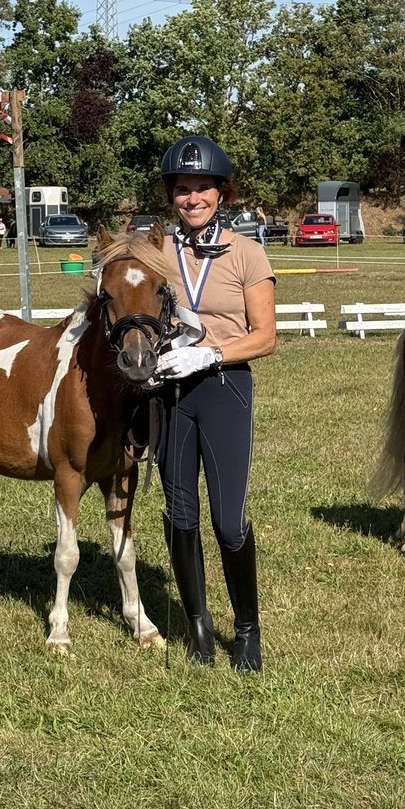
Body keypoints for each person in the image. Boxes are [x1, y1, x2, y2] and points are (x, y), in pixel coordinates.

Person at [153, 135, 277, 672]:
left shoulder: (246, 252)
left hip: (224, 387)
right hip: (169, 393)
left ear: (222, 192)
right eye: (183, 189)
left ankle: (246, 629)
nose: (193, 198)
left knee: (228, 520)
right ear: (171, 195)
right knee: (180, 514)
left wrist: (211, 354)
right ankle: (199, 625)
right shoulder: (156, 249)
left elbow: (266, 336)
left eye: (202, 187)